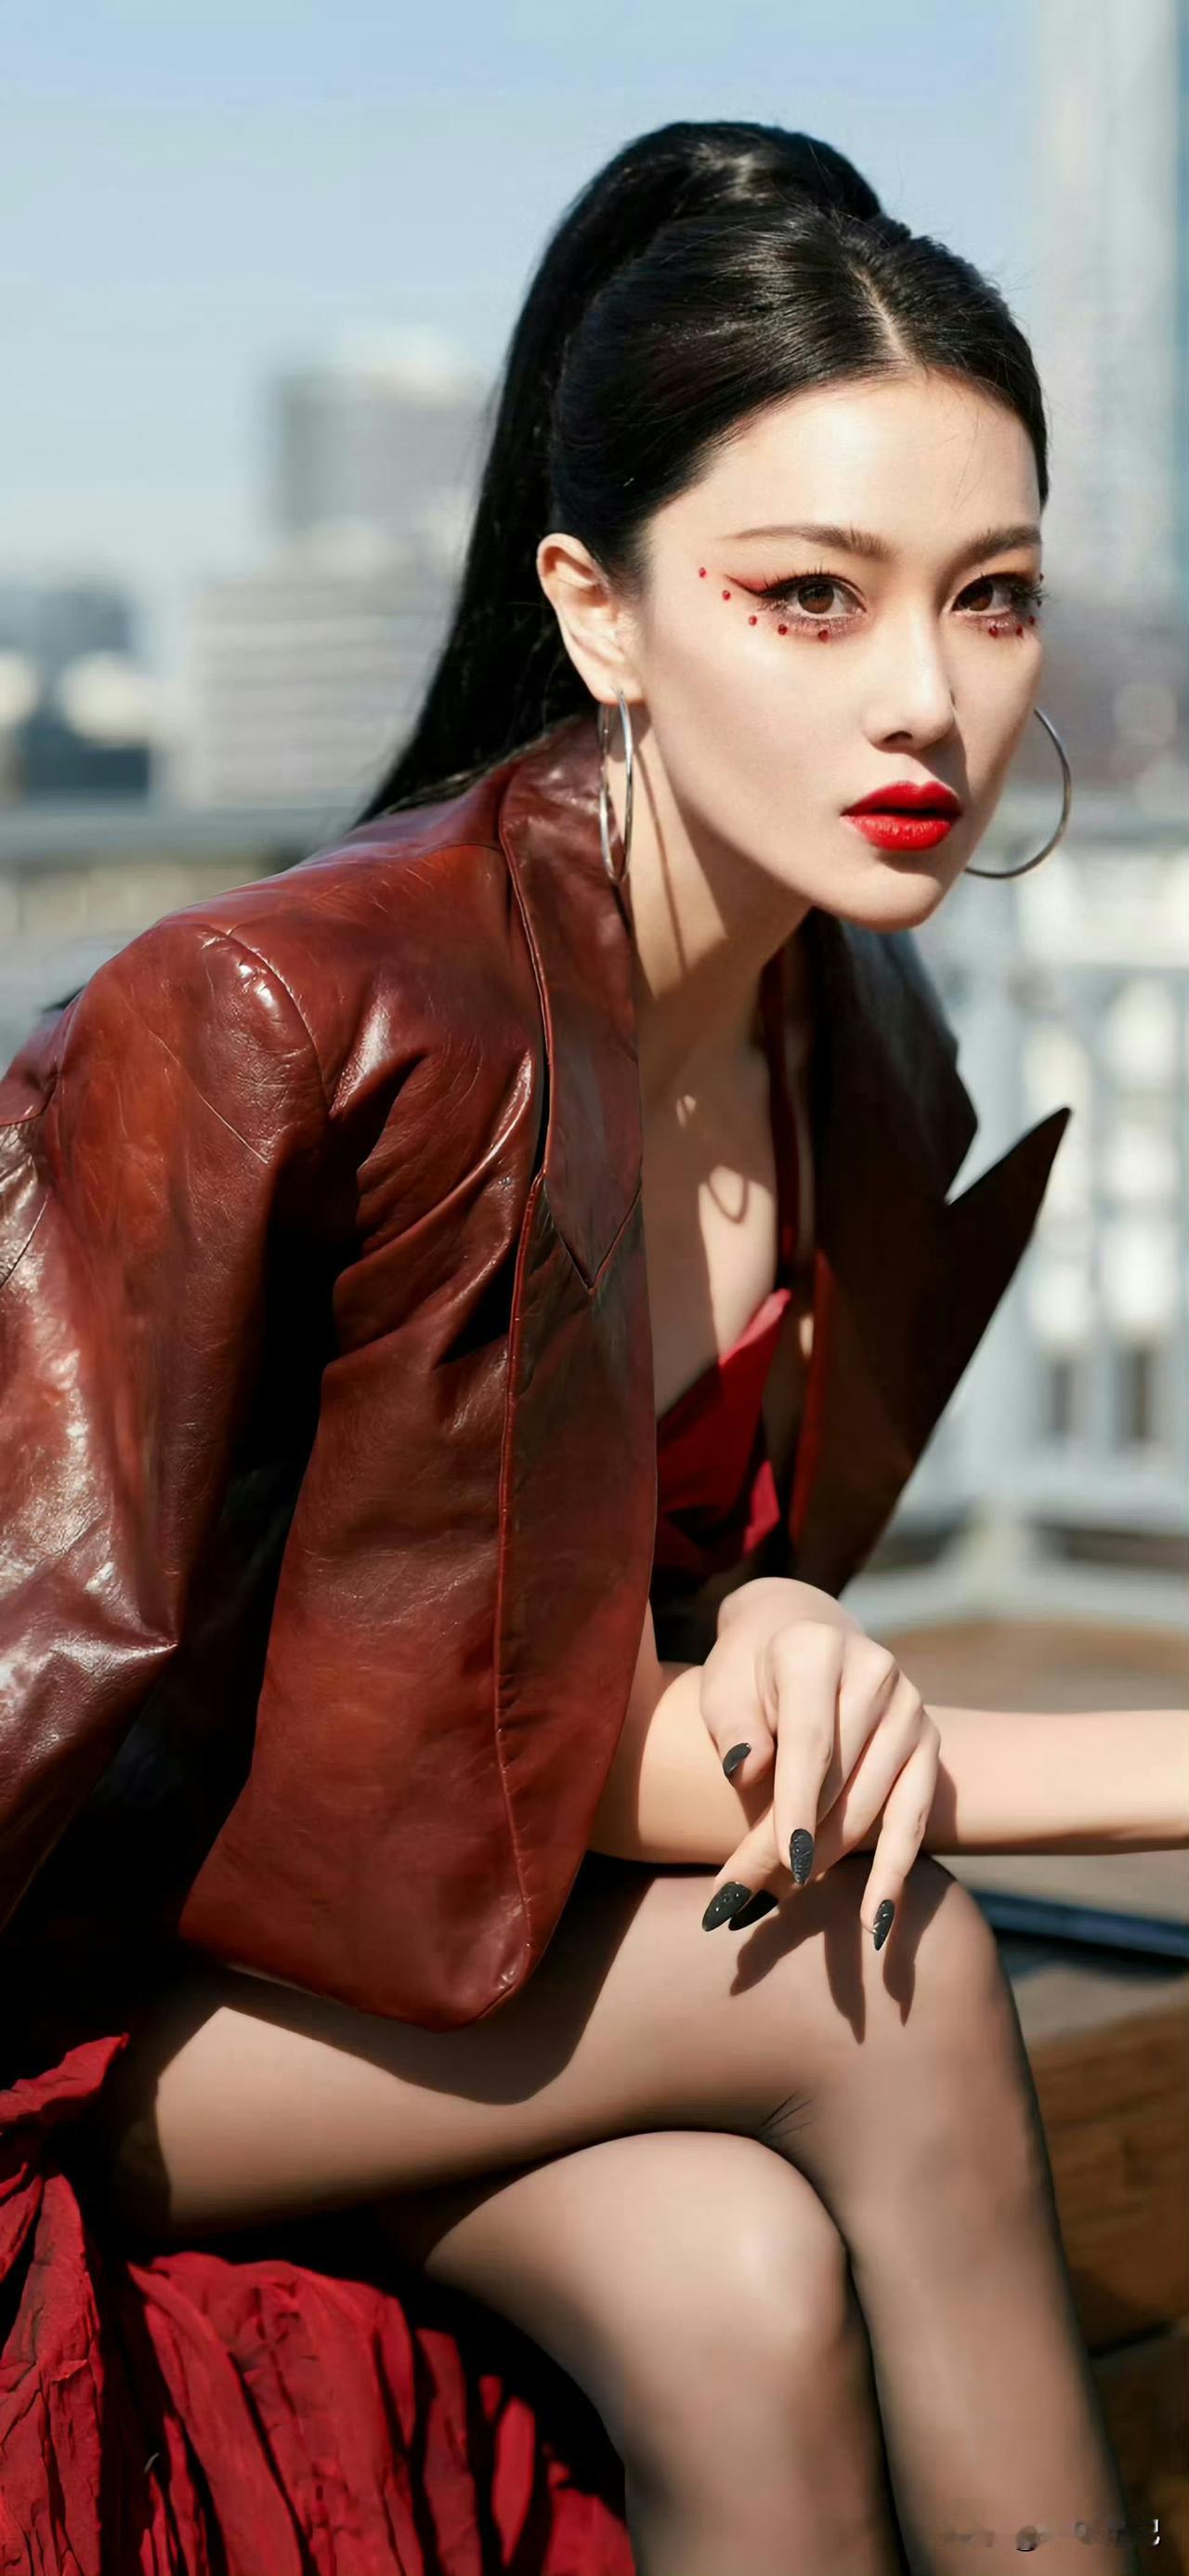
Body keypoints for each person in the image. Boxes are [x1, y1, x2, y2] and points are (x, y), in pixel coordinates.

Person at [1, 117, 1182, 2576]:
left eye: (988, 597)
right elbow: (460, 1728)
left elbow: (564, 1576)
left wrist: (760, 1605)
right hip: (123, 2004)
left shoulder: (854, 1036)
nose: (927, 698)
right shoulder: (301, 1011)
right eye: (808, 597)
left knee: (733, 2284)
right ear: (598, 607)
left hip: (458, 1966)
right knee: (886, 1966)